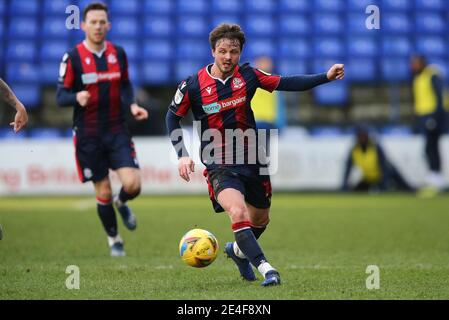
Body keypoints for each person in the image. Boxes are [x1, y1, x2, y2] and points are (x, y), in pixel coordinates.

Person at [166, 23, 344, 286]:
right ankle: (267, 268)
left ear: (240, 53)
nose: (228, 57)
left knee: (260, 219)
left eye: (234, 51)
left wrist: (325, 77)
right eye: (223, 51)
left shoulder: (248, 75)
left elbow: (287, 82)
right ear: (213, 51)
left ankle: (238, 252)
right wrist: (182, 153)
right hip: (219, 163)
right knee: (237, 212)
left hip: (253, 157)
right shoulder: (192, 85)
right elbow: (171, 118)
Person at [56, 3, 148, 257]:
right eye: (93, 22)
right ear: (83, 25)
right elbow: (60, 96)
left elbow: (127, 84)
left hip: (117, 128)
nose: (98, 26)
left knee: (134, 184)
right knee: (103, 190)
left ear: (108, 25)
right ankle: (114, 240)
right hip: (88, 133)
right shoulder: (72, 57)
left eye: (102, 22)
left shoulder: (118, 53)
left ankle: (122, 202)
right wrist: (76, 97)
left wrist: (132, 105)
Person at [410, 55, 447, 197]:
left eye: (415, 63)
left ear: (422, 63)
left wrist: (434, 118)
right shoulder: (418, 77)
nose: (412, 66)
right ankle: (435, 180)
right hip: (424, 117)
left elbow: (440, 97)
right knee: (429, 148)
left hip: (433, 117)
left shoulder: (432, 75)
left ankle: (436, 180)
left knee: (431, 148)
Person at [342, 125, 414, 192]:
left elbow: (384, 166)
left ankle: (405, 188)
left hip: (384, 176)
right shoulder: (354, 150)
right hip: (368, 178)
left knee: (401, 186)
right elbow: (348, 168)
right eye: (360, 136)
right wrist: (344, 184)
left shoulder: (375, 147)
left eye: (364, 135)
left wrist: (383, 183)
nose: (362, 138)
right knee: (357, 191)